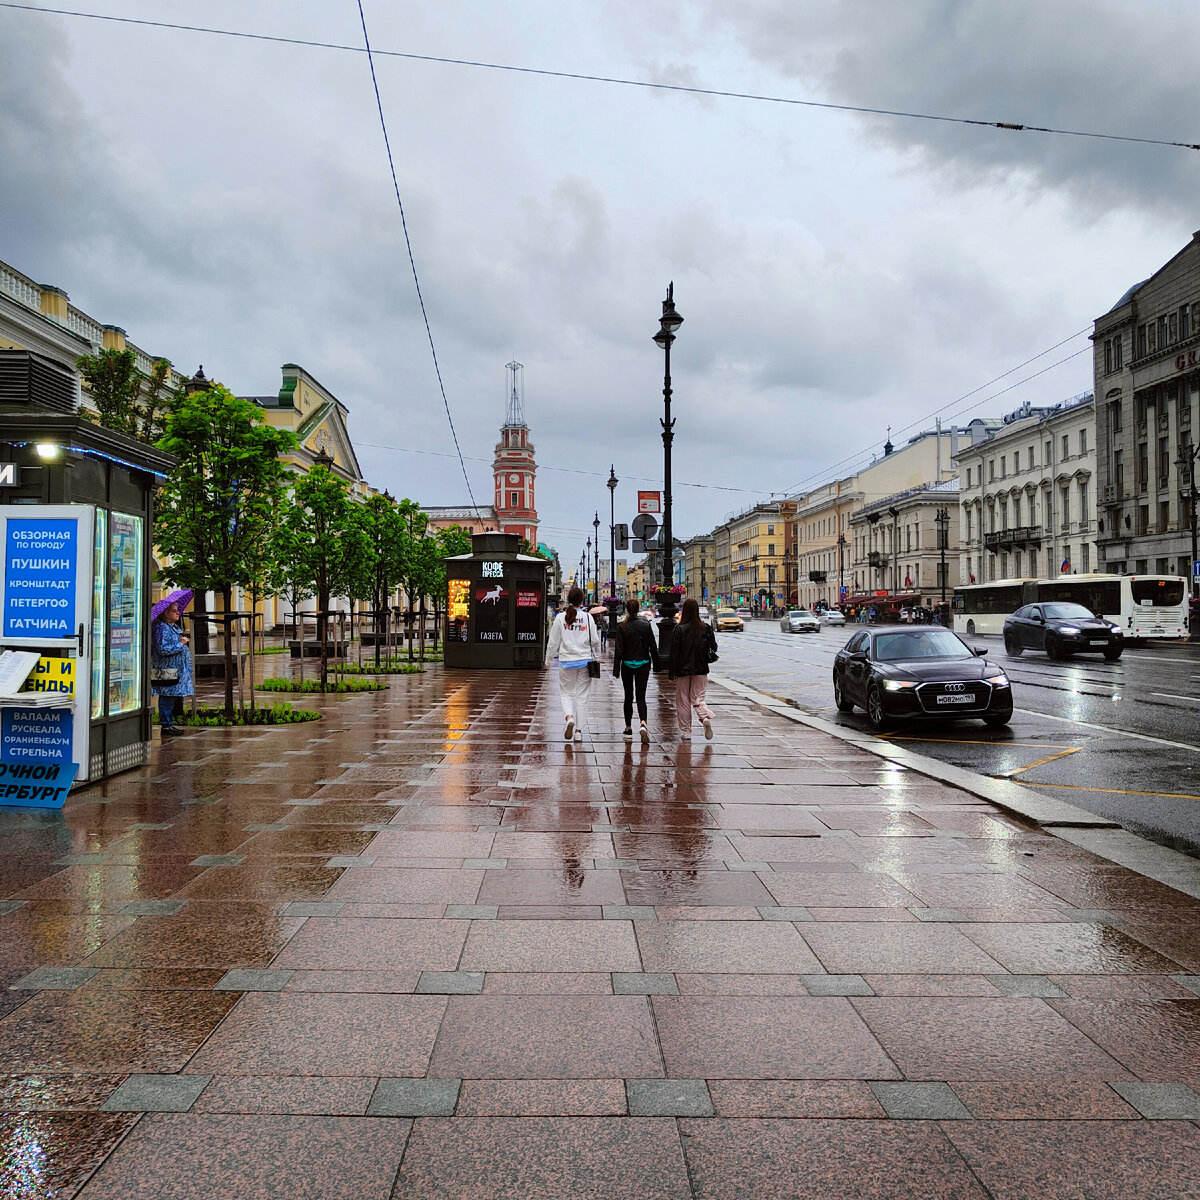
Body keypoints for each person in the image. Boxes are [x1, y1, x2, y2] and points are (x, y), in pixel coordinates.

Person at [547, 586, 601, 741]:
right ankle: (578, 731)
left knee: (566, 693)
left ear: (569, 599)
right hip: (584, 661)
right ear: (581, 600)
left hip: (566, 661)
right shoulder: (588, 617)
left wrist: (548, 661)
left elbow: (553, 642)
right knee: (582, 696)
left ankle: (569, 718)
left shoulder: (560, 617)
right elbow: (595, 641)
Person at [668, 597, 717, 740]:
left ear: (684, 611)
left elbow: (674, 653)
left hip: (683, 670)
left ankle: (686, 731)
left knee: (683, 700)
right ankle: (704, 717)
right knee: (698, 698)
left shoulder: (679, 629)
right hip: (701, 669)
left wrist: (671, 673)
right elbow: (713, 647)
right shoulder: (706, 628)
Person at [611, 598, 660, 744]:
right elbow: (652, 646)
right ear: (638, 609)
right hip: (643, 664)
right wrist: (657, 665)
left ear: (626, 609)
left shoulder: (622, 626)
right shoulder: (645, 624)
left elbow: (619, 650)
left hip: (627, 665)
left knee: (628, 697)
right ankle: (643, 723)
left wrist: (616, 669)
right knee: (641, 697)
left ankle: (628, 728)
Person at [150, 600, 194, 736]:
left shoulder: (172, 626)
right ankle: (165, 724)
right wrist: (180, 644)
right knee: (167, 696)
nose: (177, 613)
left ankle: (169, 723)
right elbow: (162, 649)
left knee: (172, 696)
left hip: (175, 670)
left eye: (177, 610)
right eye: (174, 611)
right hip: (167, 670)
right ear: (165, 613)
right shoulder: (161, 628)